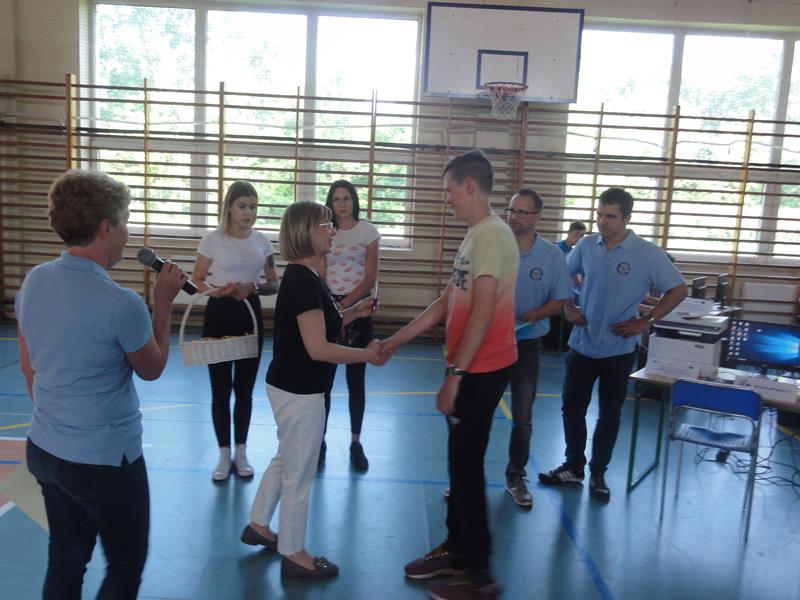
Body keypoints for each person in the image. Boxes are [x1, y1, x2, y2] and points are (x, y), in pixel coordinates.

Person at [17, 170, 188, 599]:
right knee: (125, 568)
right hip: (105, 463)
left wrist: (60, 422)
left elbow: (28, 366)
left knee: (65, 561)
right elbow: (152, 368)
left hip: (45, 449)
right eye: (125, 221)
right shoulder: (121, 303)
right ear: (106, 227)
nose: (128, 233)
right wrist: (163, 304)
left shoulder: (35, 280)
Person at [385, 150, 519, 600]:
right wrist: (396, 340)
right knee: (459, 462)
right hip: (467, 364)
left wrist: (456, 374)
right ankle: (457, 549)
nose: (447, 199)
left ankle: (478, 576)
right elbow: (447, 302)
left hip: (481, 368)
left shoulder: (493, 236)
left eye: (449, 191)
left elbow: (483, 312)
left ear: (469, 186)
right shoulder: (474, 236)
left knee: (466, 465)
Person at [241, 201, 381, 580]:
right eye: (325, 226)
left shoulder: (306, 276)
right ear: (305, 232)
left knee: (287, 458)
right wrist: (366, 354)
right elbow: (318, 348)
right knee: (299, 473)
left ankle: (258, 524)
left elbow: (319, 324)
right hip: (300, 391)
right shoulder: (303, 280)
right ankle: (293, 551)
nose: (332, 231)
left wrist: (352, 313)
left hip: (293, 386)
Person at [538, 188, 687, 502]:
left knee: (609, 414)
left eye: (610, 216)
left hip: (618, 350)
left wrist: (647, 321)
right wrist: (568, 306)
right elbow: (563, 276)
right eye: (599, 215)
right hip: (582, 346)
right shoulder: (586, 246)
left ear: (627, 218)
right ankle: (573, 466)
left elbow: (677, 289)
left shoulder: (647, 254)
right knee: (572, 409)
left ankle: (599, 473)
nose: (603, 222)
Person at [192, 181, 279, 481]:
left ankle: (241, 452)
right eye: (242, 206)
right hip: (218, 314)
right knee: (220, 389)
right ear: (229, 206)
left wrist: (251, 287)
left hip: (249, 315)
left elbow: (273, 283)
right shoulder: (212, 239)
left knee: (244, 389)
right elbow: (197, 280)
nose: (248, 212)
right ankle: (223, 453)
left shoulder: (262, 241)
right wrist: (215, 291)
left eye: (253, 207)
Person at [502, 188, 571, 509]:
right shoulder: (493, 244)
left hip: (527, 346)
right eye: (511, 210)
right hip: (489, 342)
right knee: (476, 412)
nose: (514, 217)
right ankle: (465, 479)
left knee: (523, 415)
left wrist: (538, 313)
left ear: (537, 217)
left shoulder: (552, 256)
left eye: (522, 212)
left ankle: (516, 476)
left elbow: (560, 299)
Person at [319, 180, 380, 473]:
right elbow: (319, 271)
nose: (342, 204)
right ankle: (319, 441)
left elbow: (369, 277)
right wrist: (332, 306)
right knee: (324, 382)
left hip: (359, 309)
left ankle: (356, 443)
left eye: (347, 198)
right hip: (329, 308)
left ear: (354, 201)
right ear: (330, 204)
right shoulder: (325, 231)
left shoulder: (367, 231)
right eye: (336, 199)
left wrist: (346, 305)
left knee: (356, 381)